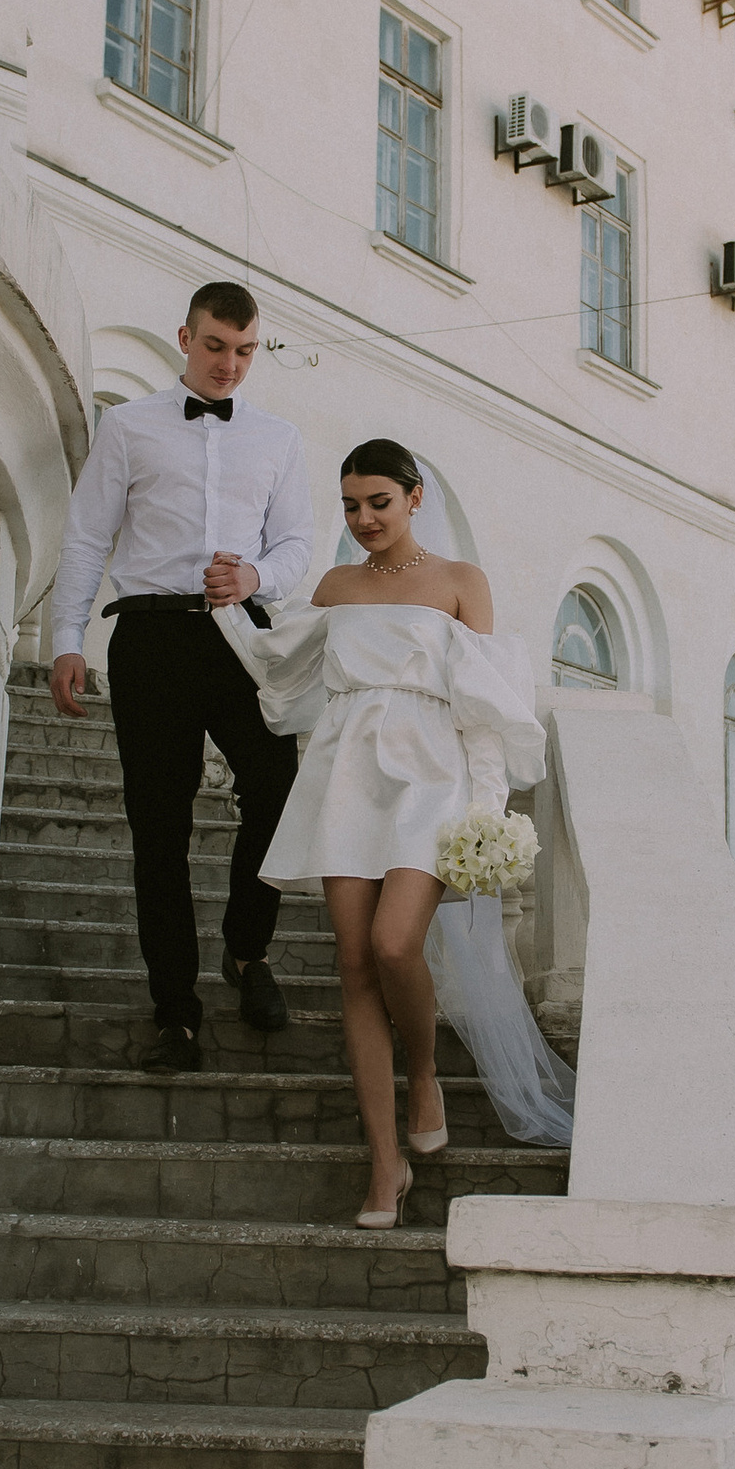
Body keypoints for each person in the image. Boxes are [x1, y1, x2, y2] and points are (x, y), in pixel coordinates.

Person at [213, 439, 564, 1225]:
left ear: (414, 497)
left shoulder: (462, 582)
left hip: (431, 775)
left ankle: (427, 1071)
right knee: (352, 961)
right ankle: (384, 1163)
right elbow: (281, 662)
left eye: (378, 501)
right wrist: (235, 601)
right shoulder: (336, 585)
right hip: (347, 777)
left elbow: (486, 702)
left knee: (395, 943)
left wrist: (486, 807)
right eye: (350, 505)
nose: (364, 518)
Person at [47, 282, 313, 1071]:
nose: (230, 364)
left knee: (276, 786)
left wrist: (256, 575)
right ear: (184, 338)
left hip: (242, 634)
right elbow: (87, 538)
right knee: (158, 826)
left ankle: (245, 949)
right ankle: (176, 1011)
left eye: (244, 350)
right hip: (151, 638)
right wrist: (67, 639)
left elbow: (298, 544)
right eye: (215, 346)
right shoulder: (128, 427)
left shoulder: (277, 437)